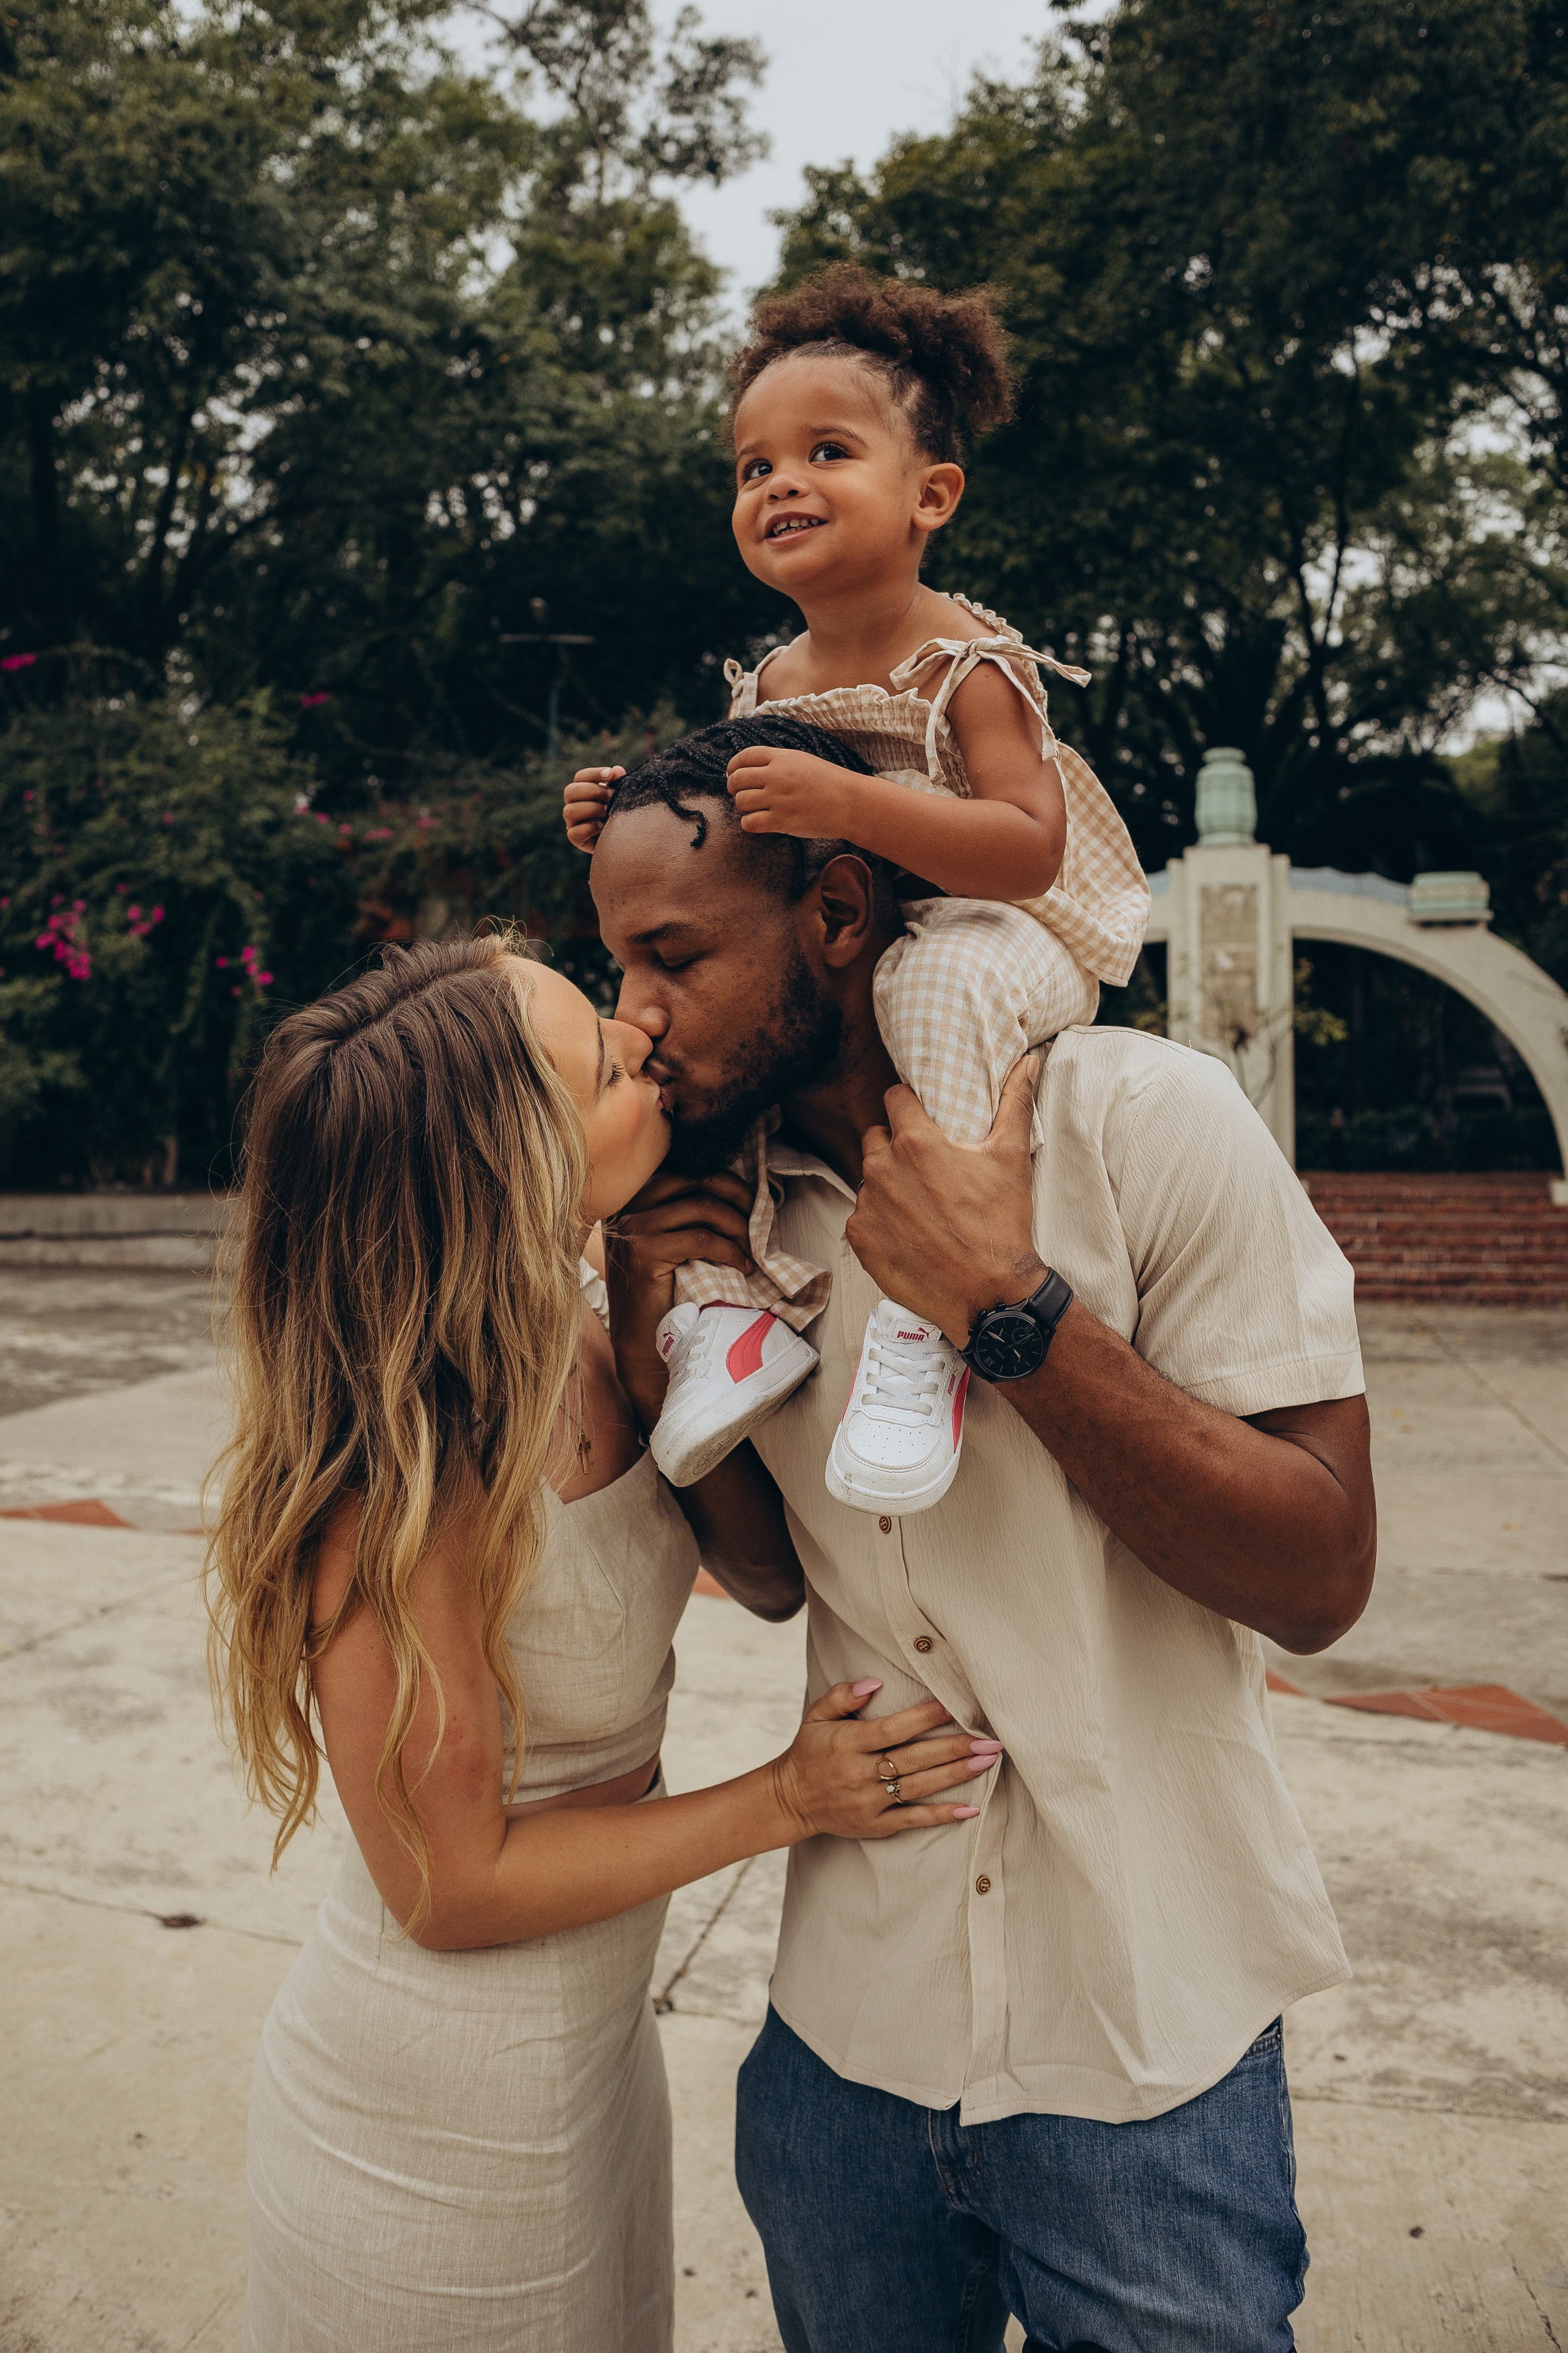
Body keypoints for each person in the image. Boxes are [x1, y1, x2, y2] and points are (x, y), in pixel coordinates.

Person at [589, 734, 1378, 2353]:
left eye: (673, 957)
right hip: (843, 2059)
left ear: (839, 909)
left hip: (1145, 2048)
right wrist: (647, 1325)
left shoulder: (1150, 1122)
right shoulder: (721, 1217)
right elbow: (764, 1579)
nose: (635, 1017)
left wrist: (1011, 1313)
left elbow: (1320, 1574)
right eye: (617, 966)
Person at [204, 934, 998, 2352]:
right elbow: (447, 1885)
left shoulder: (578, 1325)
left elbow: (754, 1575)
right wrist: (784, 1797)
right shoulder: (412, 1468)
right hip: (429, 2118)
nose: (648, 1049)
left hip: (589, 2060)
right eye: (608, 1069)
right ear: (513, 1160)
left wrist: (647, 1323)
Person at [564, 266, 1149, 1517]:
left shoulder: (964, 663)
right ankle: (734, 1315)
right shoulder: (768, 674)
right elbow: (725, 840)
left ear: (929, 492)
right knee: (739, 1030)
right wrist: (621, 809)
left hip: (1005, 928)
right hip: (854, 929)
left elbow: (1025, 845)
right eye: (750, 465)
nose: (778, 482)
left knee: (922, 979)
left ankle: (923, 1318)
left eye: (824, 451)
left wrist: (851, 807)